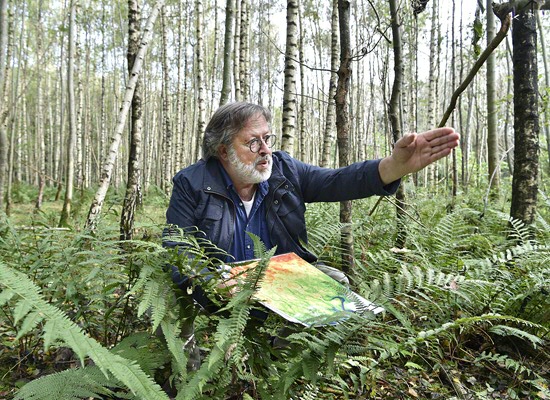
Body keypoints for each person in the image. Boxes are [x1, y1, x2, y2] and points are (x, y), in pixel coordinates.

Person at [163, 101, 460, 367]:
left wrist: (393, 167)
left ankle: (275, 360)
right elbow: (176, 244)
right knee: (174, 297)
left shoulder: (285, 171)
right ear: (223, 150)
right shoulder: (192, 183)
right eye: (253, 142)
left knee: (334, 282)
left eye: (267, 138)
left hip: (273, 282)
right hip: (216, 288)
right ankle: (189, 378)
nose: (265, 150)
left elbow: (338, 180)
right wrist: (210, 278)